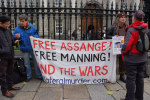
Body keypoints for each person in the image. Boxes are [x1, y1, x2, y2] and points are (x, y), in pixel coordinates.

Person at [121, 10, 148, 100]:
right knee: (140, 79)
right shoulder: (146, 28)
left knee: (131, 79)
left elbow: (127, 45)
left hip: (132, 59)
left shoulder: (131, 30)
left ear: (134, 18)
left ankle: (130, 97)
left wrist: (123, 51)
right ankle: (139, 97)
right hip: (143, 58)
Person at [13, 14, 42, 82]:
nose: (21, 23)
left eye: (23, 21)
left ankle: (38, 75)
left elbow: (36, 35)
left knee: (36, 62)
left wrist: (33, 37)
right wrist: (16, 37)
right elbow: (14, 37)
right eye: (20, 21)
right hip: (24, 48)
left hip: (32, 48)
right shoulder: (17, 28)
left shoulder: (32, 27)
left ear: (26, 21)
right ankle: (28, 76)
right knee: (26, 63)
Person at [0, 15, 20, 98]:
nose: (8, 26)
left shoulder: (8, 31)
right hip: (2, 57)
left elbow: (11, 43)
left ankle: (10, 85)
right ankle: (4, 91)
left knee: (10, 71)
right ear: (0, 23)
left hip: (11, 55)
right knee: (2, 75)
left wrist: (15, 41)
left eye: (8, 24)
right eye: (6, 24)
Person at [106, 12, 127, 83]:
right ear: (118, 18)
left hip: (123, 47)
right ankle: (112, 75)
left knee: (123, 62)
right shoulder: (113, 27)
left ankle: (122, 75)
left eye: (124, 17)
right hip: (115, 48)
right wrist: (113, 37)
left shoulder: (126, 27)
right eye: (122, 17)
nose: (123, 18)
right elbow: (107, 36)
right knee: (114, 62)